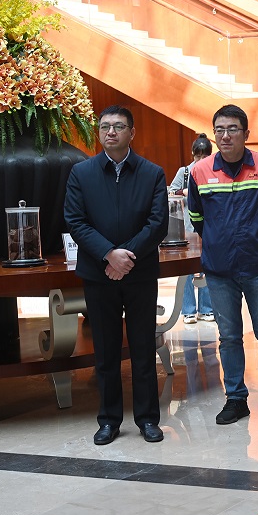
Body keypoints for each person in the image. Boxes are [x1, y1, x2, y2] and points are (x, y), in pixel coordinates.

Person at [188, 104, 258, 425]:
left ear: (246, 133)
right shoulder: (200, 171)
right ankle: (236, 399)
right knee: (228, 337)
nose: (225, 136)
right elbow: (197, 217)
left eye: (232, 129)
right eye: (220, 130)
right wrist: (219, 242)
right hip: (219, 269)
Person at [64, 105, 168, 445]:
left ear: (131, 133)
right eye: (105, 126)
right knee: (106, 350)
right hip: (99, 273)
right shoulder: (82, 173)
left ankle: (148, 419)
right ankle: (109, 420)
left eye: (119, 126)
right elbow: (75, 220)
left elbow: (157, 223)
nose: (111, 132)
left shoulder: (152, 173)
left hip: (139, 273)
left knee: (142, 347)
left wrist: (126, 257)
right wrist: (109, 254)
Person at [169, 133, 214, 325]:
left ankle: (206, 309)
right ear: (192, 154)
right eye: (198, 156)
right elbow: (171, 191)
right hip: (186, 229)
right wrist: (186, 191)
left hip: (208, 228)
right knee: (185, 271)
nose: (201, 160)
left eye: (205, 156)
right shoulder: (185, 172)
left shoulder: (214, 170)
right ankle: (188, 311)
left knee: (206, 267)